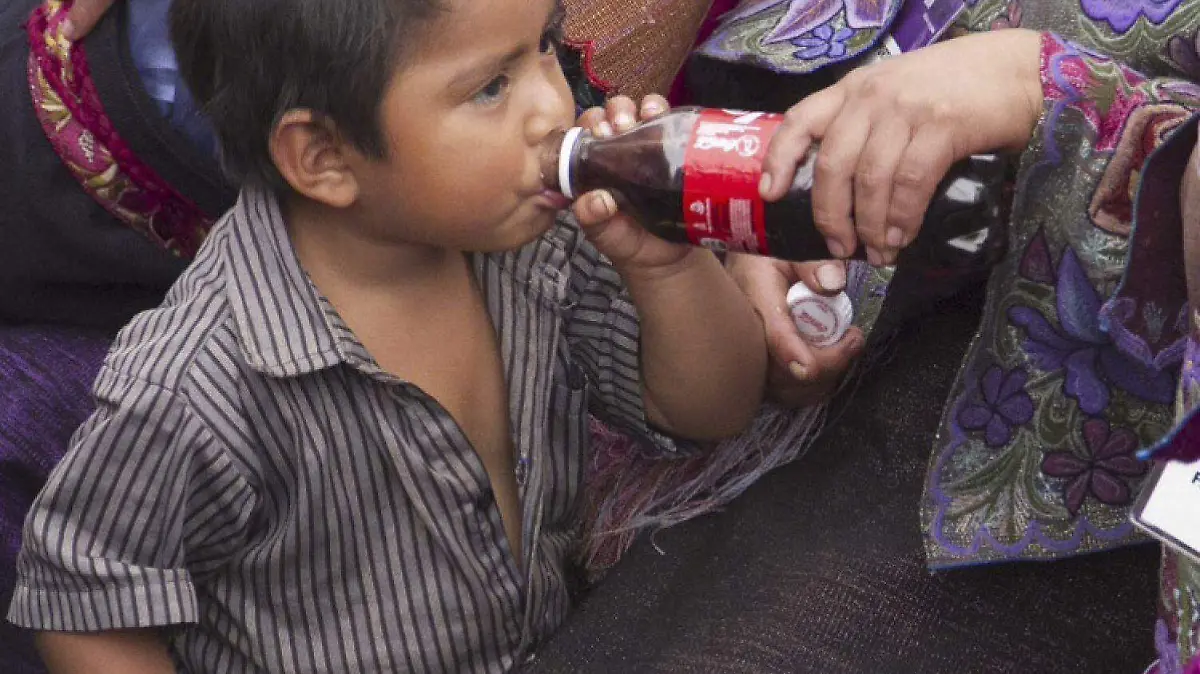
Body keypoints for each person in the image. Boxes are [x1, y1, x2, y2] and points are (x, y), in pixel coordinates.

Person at [6, 0, 771, 672]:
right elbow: (86, 606)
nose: (553, 107)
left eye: (546, 43)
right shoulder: (200, 381)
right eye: (490, 88)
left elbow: (714, 408)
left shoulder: (536, 243)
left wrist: (665, 267)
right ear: (325, 157)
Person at [523, 2, 1200, 672]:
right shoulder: (532, 253)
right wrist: (772, 181)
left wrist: (1044, 87)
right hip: (812, 270)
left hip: (1068, 423)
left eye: (543, 49)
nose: (533, 112)